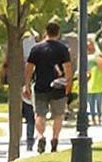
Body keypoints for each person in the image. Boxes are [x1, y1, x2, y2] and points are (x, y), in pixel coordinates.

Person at [28, 22, 74, 152]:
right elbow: (68, 69)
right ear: (58, 33)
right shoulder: (63, 49)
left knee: (39, 114)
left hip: (40, 86)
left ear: (45, 32)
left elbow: (29, 69)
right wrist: (68, 86)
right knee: (58, 115)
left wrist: (26, 84)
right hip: (58, 87)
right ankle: (54, 139)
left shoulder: (36, 49)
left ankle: (41, 136)